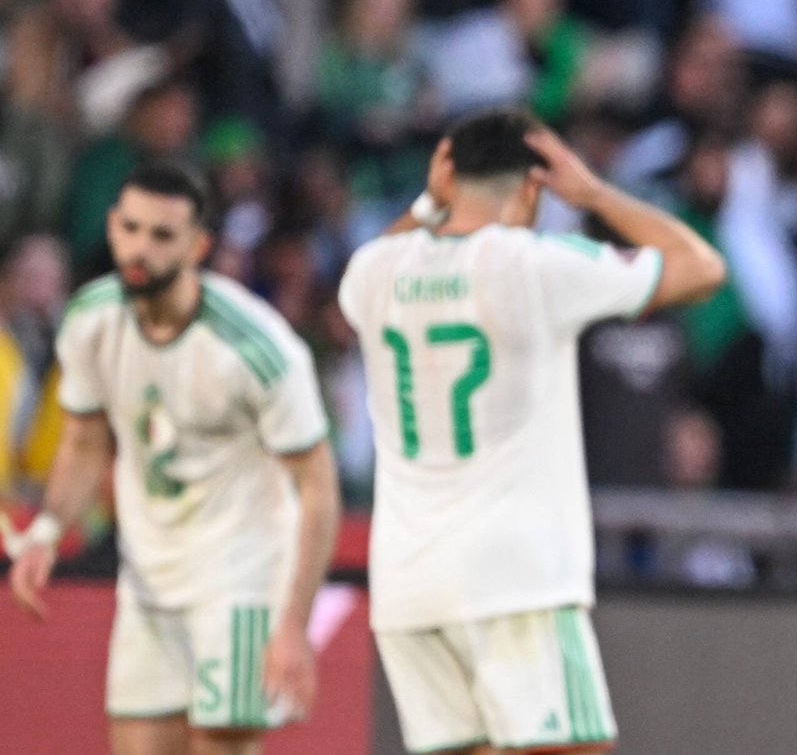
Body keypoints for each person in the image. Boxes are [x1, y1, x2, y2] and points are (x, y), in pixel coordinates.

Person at [338, 109, 725, 755]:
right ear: (532, 190)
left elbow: (368, 268)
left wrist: (429, 204)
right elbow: (702, 268)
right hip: (513, 580)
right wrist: (594, 194)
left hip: (410, 586)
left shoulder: (376, 270)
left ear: (447, 175)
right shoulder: (535, 264)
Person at [6, 164, 340, 755]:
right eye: (131, 228)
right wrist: (49, 531)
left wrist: (293, 623)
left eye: (162, 235)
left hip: (238, 582)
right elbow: (84, 442)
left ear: (198, 246)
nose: (141, 248)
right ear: (112, 227)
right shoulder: (90, 320)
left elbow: (317, 487)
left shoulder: (255, 348)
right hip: (148, 584)